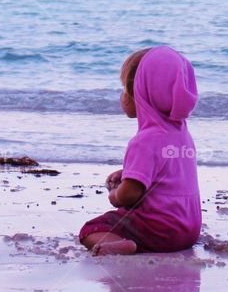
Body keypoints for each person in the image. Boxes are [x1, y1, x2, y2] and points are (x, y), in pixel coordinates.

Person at [79, 45, 202, 256]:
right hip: (189, 230)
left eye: (126, 91)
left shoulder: (144, 141)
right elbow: (167, 174)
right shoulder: (181, 133)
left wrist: (115, 195)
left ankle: (124, 245)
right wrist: (128, 173)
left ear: (140, 95)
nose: (122, 97)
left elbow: (130, 196)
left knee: (91, 229)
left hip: (160, 231)